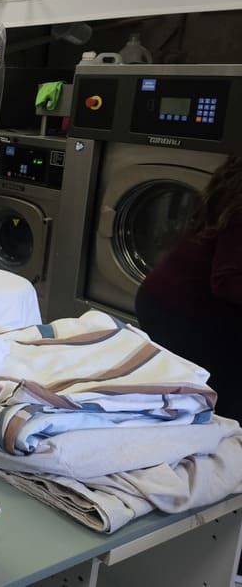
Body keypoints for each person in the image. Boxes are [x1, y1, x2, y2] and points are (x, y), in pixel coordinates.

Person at [135, 156, 242, 422]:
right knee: (215, 406)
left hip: (169, 296)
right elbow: (228, 278)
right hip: (185, 310)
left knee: (184, 397)